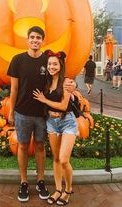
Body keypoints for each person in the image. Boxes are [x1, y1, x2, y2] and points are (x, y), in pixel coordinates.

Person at [7, 26, 50, 202]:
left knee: (40, 146)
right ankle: (23, 182)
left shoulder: (48, 61)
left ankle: (40, 180)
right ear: (27, 39)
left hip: (42, 113)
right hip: (22, 112)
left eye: (38, 38)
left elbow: (55, 83)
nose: (35, 40)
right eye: (32, 37)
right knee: (23, 146)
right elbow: (14, 88)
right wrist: (11, 111)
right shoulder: (17, 60)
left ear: (42, 41)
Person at [33, 50, 77, 206]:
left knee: (64, 160)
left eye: (55, 64)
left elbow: (64, 106)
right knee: (56, 158)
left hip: (67, 122)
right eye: (49, 64)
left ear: (60, 65)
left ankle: (68, 190)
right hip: (52, 123)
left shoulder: (65, 82)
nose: (51, 66)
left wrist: (44, 100)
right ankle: (58, 189)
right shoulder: (46, 82)